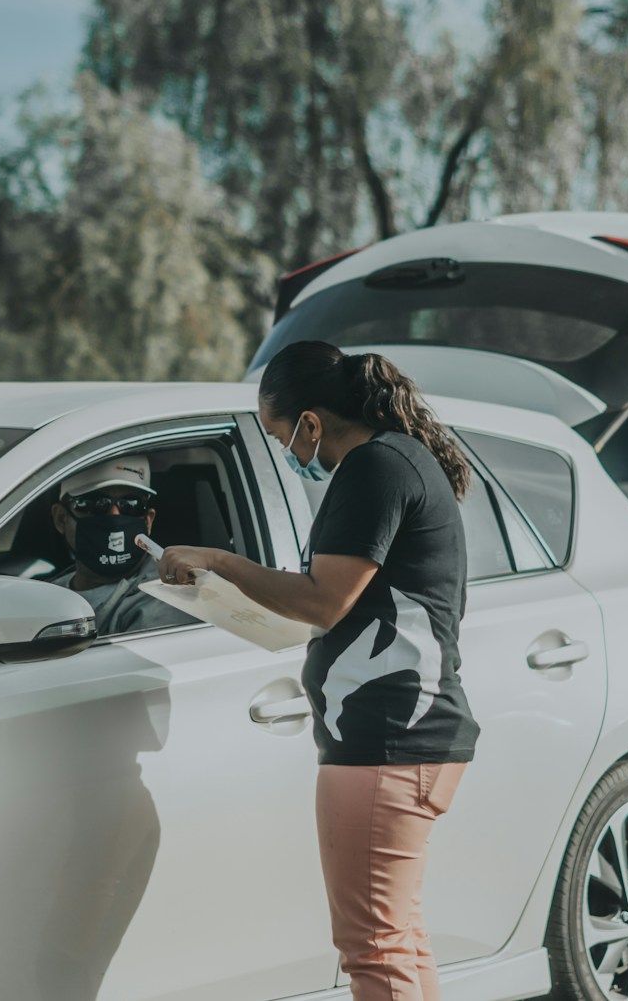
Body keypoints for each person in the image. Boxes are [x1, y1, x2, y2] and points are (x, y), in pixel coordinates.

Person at [156, 341, 477, 1001]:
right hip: (408, 735)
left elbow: (324, 599)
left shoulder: (373, 468)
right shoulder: (399, 459)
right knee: (400, 937)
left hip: (386, 739)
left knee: (375, 950)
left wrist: (218, 561)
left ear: (311, 420)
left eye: (281, 437)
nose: (288, 453)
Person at [49, 454, 186, 636]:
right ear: (61, 518)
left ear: (148, 521)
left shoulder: (162, 600)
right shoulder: (48, 592)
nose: (114, 516)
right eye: (96, 503)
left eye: (131, 504)